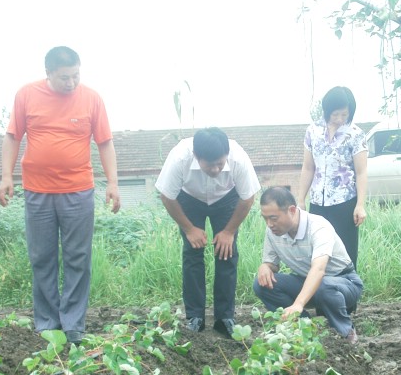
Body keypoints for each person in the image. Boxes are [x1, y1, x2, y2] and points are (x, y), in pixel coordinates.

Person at [0, 46, 120, 346]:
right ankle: (48, 323)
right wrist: (6, 176)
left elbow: (105, 142)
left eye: (76, 75)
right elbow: (13, 136)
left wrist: (113, 183)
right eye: (64, 77)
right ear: (48, 73)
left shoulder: (92, 98)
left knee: (78, 257)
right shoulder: (26, 95)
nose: (71, 82)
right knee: (42, 257)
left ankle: (74, 324)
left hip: (78, 191)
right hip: (37, 191)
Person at [156, 127, 260, 337]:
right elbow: (167, 197)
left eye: (220, 164)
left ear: (227, 155)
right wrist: (189, 229)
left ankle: (225, 317)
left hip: (226, 197)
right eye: (209, 165)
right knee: (192, 253)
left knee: (226, 252)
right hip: (189, 197)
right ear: (196, 156)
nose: (215, 169)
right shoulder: (180, 157)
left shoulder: (238, 158)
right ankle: (195, 317)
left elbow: (248, 198)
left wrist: (229, 231)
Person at [254, 187, 364, 344]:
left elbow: (318, 270)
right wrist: (265, 266)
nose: (269, 224)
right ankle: (304, 327)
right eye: (265, 218)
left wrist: (298, 304)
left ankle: (345, 333)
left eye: (273, 218)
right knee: (262, 284)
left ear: (292, 210)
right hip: (309, 282)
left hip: (344, 282)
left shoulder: (318, 226)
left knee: (324, 285)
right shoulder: (272, 231)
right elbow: (272, 264)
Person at [299, 86, 368, 269]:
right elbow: (308, 167)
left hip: (344, 202)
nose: (339, 119)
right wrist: (301, 200)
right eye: (335, 114)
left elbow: (361, 172)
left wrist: (360, 205)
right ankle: (319, 286)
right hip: (317, 203)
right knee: (318, 251)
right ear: (327, 110)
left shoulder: (355, 134)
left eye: (344, 114)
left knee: (346, 253)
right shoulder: (312, 131)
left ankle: (349, 286)